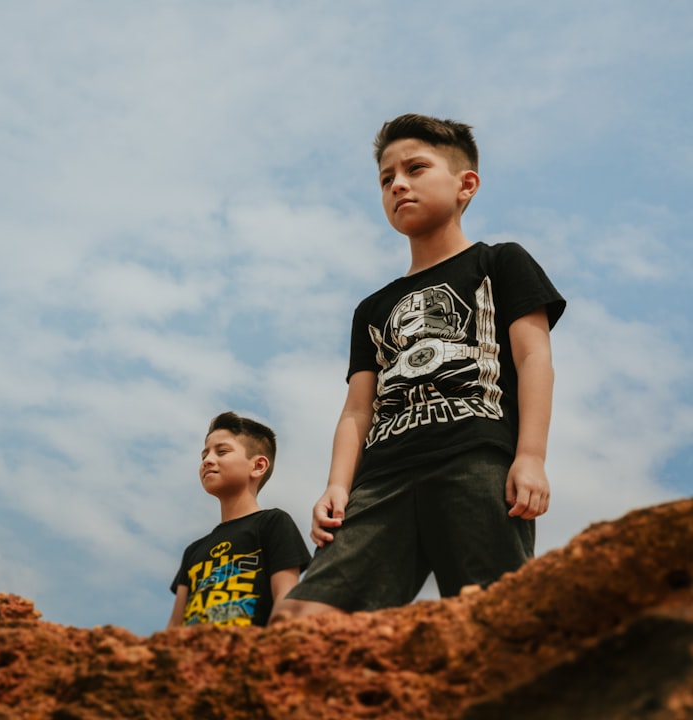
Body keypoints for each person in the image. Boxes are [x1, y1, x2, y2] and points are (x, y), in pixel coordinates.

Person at [270, 114, 566, 622]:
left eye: (415, 168)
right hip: (380, 480)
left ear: (465, 184)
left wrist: (531, 456)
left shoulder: (500, 262)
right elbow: (357, 410)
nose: (398, 184)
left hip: (476, 460)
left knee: (496, 617)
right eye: (386, 178)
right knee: (301, 618)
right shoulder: (372, 309)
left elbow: (534, 356)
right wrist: (338, 484)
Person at [167, 411, 311, 628]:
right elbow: (174, 627)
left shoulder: (273, 523)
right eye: (204, 455)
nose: (207, 460)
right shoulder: (193, 552)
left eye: (222, 451)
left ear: (258, 466)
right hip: (192, 658)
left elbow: (286, 596)